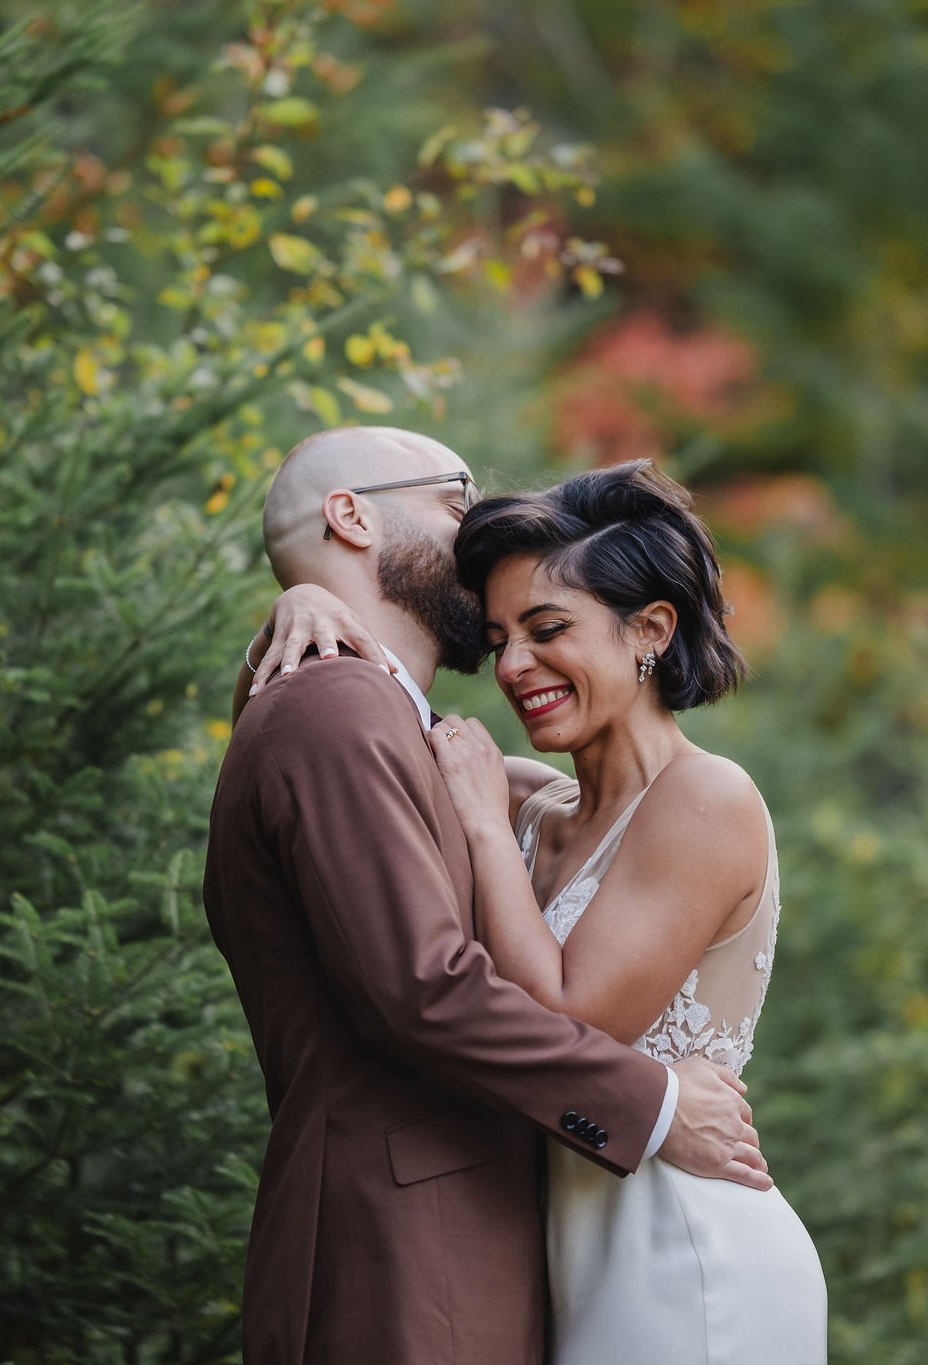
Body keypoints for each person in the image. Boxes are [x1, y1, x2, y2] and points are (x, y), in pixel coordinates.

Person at [202, 427, 773, 1365]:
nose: (471, 535)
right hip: (410, 1240)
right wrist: (662, 1104)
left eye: (546, 630)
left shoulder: (433, 743)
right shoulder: (340, 707)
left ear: (649, 631)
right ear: (352, 516)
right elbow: (425, 986)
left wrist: (302, 595)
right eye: (453, 497)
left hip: (602, 1240)